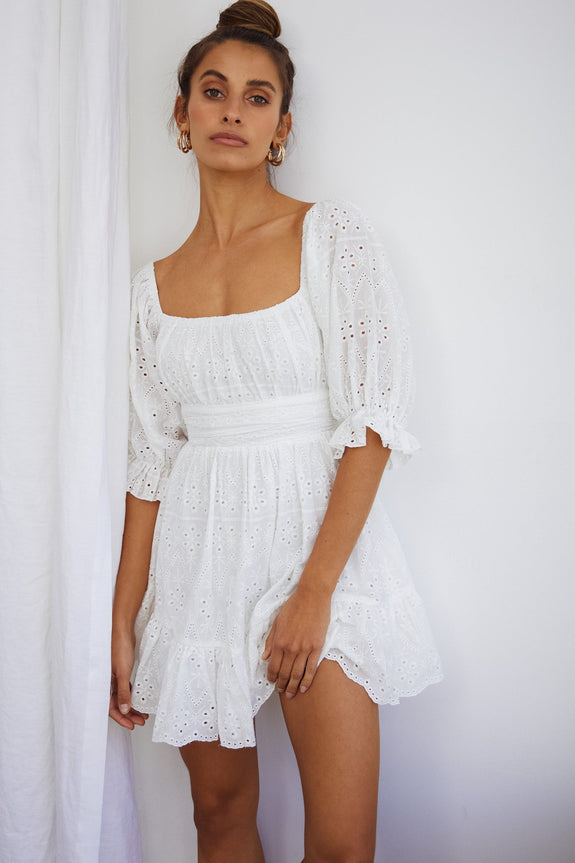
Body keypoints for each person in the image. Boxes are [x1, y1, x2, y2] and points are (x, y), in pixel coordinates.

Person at [109, 1, 442, 860]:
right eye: (213, 90)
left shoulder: (330, 237)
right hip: (197, 564)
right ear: (181, 115)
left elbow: (370, 424)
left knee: (341, 846)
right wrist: (122, 620)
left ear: (281, 127)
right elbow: (150, 464)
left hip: (317, 557)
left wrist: (314, 591)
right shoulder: (150, 290)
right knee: (217, 817)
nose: (233, 110)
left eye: (257, 97)